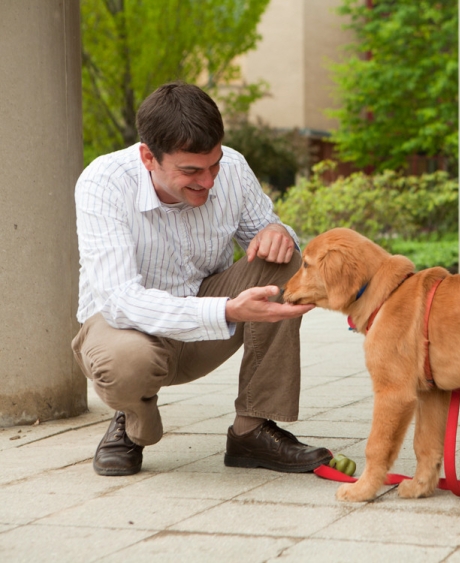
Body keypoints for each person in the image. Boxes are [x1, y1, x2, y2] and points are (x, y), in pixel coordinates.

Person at [72, 82, 331, 476]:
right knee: (125, 363)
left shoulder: (234, 169)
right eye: (190, 171)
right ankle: (132, 423)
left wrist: (277, 232)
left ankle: (253, 429)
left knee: (285, 264)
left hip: (205, 327)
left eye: (214, 165)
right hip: (128, 332)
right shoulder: (103, 183)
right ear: (148, 157)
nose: (208, 182)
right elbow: (120, 300)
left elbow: (268, 234)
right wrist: (227, 309)